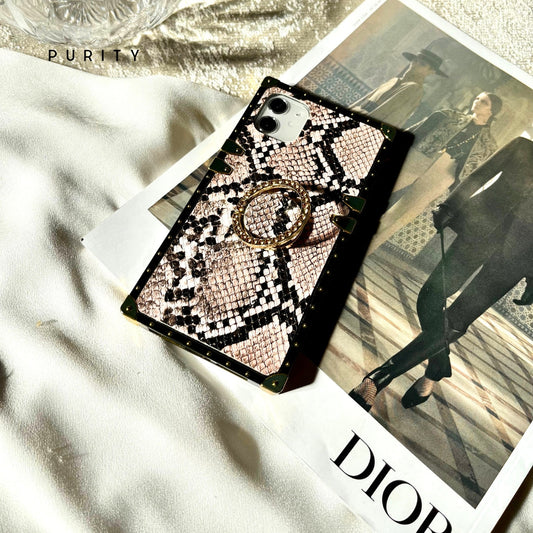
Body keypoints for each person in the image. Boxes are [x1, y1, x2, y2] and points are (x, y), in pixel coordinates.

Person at [349, 137, 533, 411]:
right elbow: (480, 175)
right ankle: (437, 368)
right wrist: (449, 206)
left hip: (518, 257)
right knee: (429, 296)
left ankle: (377, 379)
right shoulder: (522, 147)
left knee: (456, 321)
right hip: (479, 232)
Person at [366, 91, 503, 254]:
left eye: (484, 102)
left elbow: (476, 173)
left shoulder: (489, 145)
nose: (477, 102)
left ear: (492, 112)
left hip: (445, 173)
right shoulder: (450, 116)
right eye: (477, 98)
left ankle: (368, 246)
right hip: (421, 157)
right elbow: (417, 130)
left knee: (406, 211)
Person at [349, 48, 448, 127]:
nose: (415, 64)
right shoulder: (394, 80)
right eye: (415, 60)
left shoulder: (415, 89)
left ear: (431, 72)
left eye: (422, 64)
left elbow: (394, 118)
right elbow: (365, 99)